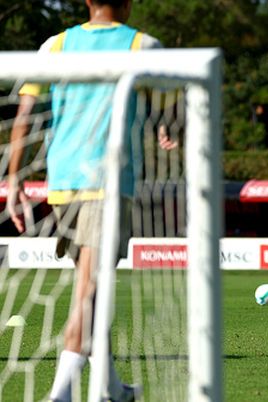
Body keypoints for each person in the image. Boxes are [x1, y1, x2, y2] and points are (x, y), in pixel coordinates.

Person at [6, 1, 170, 401]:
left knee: (93, 284)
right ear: (128, 3)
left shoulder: (55, 45)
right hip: (108, 182)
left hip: (61, 183)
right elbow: (170, 101)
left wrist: (14, 178)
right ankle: (61, 393)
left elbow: (25, 113)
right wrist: (166, 127)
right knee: (90, 287)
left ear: (86, 2)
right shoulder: (143, 46)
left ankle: (110, 386)